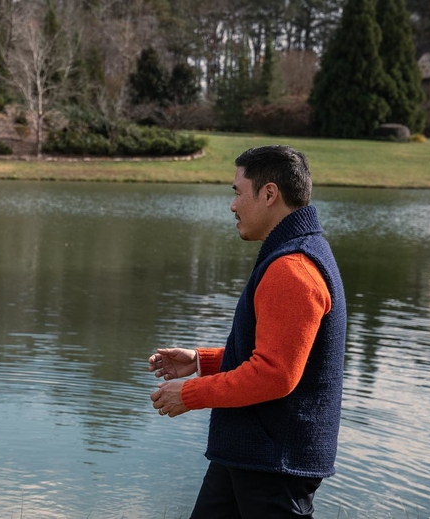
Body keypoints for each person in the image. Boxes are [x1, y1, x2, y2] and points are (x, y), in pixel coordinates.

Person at [148, 145, 347, 518]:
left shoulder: (293, 267)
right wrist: (201, 362)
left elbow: (275, 374)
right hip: (251, 451)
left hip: (273, 463)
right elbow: (277, 352)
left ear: (269, 194)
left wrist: (191, 394)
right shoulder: (294, 252)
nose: (233, 205)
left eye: (238, 192)